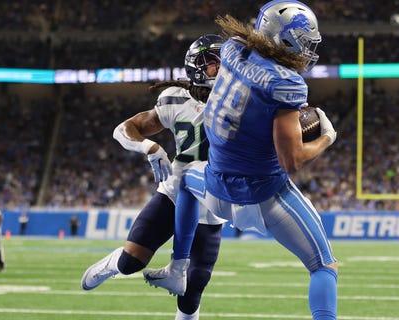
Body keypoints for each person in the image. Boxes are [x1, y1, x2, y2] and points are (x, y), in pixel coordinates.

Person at [143, 2, 339, 319]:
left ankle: (178, 267)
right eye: (303, 40)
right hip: (264, 196)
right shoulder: (287, 84)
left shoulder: (233, 51)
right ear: (285, 38)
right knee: (323, 267)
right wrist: (325, 137)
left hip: (217, 193)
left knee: (185, 180)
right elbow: (292, 161)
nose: (307, 50)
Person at [81, 34, 226, 320]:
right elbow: (125, 128)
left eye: (226, 62)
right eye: (213, 63)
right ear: (196, 67)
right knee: (131, 262)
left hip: (214, 204)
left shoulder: (241, 101)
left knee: (193, 288)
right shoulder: (175, 99)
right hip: (175, 194)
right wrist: (150, 146)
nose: (222, 69)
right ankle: (111, 265)